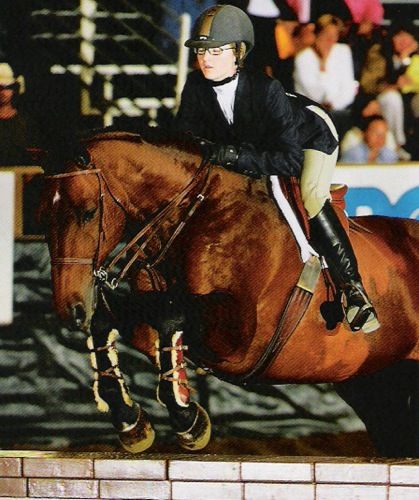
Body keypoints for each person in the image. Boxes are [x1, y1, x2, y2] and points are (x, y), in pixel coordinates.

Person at [174, 4, 379, 333]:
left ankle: (354, 291)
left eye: (215, 50)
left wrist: (231, 156)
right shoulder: (195, 88)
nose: (206, 59)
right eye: (201, 51)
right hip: (254, 147)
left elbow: (288, 160)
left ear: (238, 52)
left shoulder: (265, 90)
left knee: (310, 194)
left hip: (311, 136)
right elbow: (184, 144)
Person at [293, 14, 358, 138]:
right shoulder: (303, 58)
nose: (331, 39)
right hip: (311, 112)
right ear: (318, 34)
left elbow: (348, 88)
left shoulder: (343, 51)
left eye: (335, 35)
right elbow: (318, 95)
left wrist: (335, 104)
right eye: (326, 34)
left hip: (340, 112)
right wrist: (322, 63)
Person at [0, 62, 40, 165]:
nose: (3, 92)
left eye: (7, 88)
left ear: (13, 89)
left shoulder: (25, 121)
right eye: (0, 88)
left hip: (20, 176)